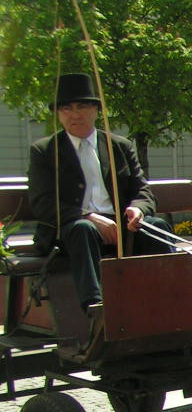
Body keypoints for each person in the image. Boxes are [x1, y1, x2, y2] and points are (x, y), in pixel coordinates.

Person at [27, 72, 173, 315]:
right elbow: (42, 202)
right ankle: (96, 309)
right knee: (82, 230)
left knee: (156, 226)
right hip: (71, 230)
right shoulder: (44, 151)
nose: (75, 114)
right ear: (59, 114)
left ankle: (171, 298)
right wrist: (88, 216)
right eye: (66, 108)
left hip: (120, 225)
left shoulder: (119, 146)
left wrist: (138, 209)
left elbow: (142, 189)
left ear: (96, 109)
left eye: (82, 106)